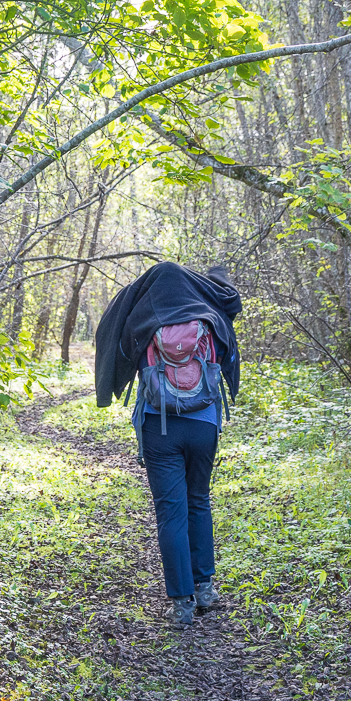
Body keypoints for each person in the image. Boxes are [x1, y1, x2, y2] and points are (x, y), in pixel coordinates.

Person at [93, 262, 241, 627]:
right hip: (203, 426)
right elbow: (227, 351)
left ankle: (181, 604)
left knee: (169, 511)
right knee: (198, 501)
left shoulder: (144, 319)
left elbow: (119, 348)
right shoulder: (209, 318)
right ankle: (205, 587)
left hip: (160, 429)